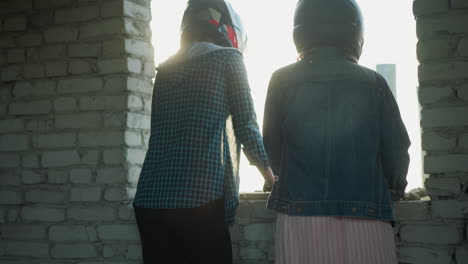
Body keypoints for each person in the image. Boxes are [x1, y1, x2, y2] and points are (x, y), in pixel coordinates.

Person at [263, 0, 410, 263]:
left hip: (299, 216)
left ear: (300, 32)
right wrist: (394, 187)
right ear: (354, 32)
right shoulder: (373, 82)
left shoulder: (281, 80)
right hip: (366, 213)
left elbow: (271, 149)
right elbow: (397, 148)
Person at [132, 0, 275, 263]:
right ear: (229, 31)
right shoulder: (228, 59)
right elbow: (246, 126)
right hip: (199, 200)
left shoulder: (164, 70)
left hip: (149, 200)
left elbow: (158, 133)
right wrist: (270, 177)